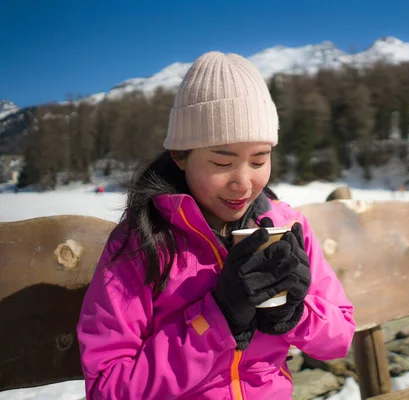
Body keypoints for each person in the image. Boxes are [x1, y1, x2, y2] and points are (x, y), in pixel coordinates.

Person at [76, 52, 356, 399]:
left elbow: (341, 338)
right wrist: (217, 318)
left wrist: (295, 313)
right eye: (222, 162)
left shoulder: (285, 227)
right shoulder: (143, 244)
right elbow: (108, 387)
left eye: (259, 159)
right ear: (180, 155)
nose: (243, 182)